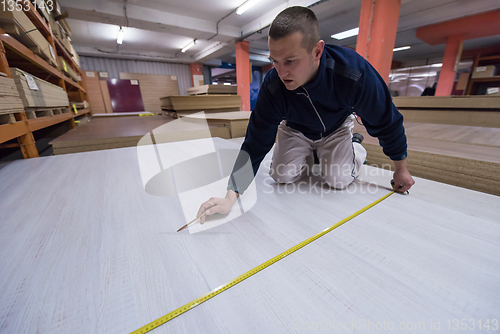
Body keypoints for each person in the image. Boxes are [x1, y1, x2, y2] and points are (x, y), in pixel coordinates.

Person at [197, 6, 415, 223]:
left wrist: (400, 169)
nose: (281, 72)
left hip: (336, 127)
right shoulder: (273, 85)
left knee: (337, 179)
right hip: (295, 128)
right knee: (281, 176)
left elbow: (386, 120)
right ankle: (313, 152)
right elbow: (255, 142)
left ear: (317, 52)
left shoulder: (351, 72)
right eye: (275, 61)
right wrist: (230, 196)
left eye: (290, 61)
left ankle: (355, 147)